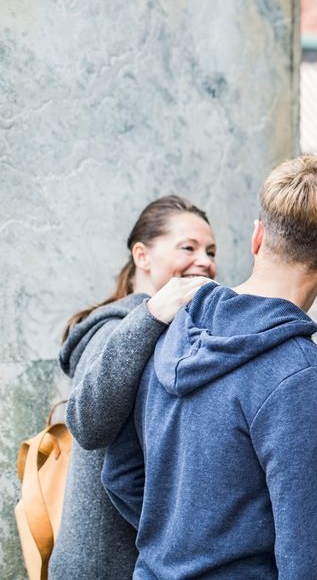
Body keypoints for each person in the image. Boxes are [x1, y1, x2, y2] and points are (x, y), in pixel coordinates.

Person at [102, 155, 317, 578]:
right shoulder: (303, 373)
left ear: (257, 237)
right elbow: (313, 554)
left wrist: (178, 546)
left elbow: (121, 472)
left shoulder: (169, 328)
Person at [53, 196, 216, 579]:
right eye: (188, 248)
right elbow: (88, 425)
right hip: (104, 567)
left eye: (210, 251)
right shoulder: (117, 329)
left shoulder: (169, 329)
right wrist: (152, 314)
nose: (205, 261)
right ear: (142, 256)